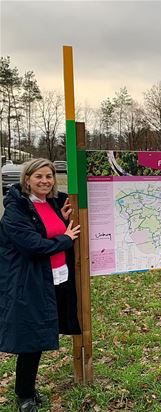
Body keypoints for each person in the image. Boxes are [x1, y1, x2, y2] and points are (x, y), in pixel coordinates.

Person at [0, 159, 81, 412]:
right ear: (27, 180)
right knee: (31, 338)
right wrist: (66, 239)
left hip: (56, 278)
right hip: (30, 281)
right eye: (39, 177)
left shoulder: (50, 204)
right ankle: (24, 394)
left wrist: (61, 219)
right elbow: (32, 245)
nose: (45, 181)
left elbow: (49, 229)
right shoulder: (17, 209)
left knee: (41, 333)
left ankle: (29, 389)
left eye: (49, 176)